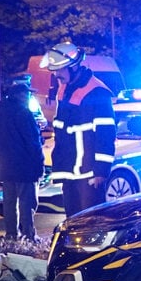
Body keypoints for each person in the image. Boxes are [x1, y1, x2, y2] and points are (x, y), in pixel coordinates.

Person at [40, 42, 116, 217]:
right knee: (72, 223)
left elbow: (105, 135)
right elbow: (63, 131)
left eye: (60, 70)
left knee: (91, 223)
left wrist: (101, 171)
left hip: (89, 174)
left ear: (73, 67)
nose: (57, 75)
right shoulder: (65, 89)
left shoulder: (97, 92)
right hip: (70, 172)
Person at [0, 82, 44, 241]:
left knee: (9, 204)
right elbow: (33, 142)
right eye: (27, 94)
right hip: (25, 167)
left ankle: (11, 235)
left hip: (7, 165)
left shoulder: (0, 113)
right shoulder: (24, 113)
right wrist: (39, 164)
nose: (29, 97)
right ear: (20, 95)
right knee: (27, 203)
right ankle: (29, 236)